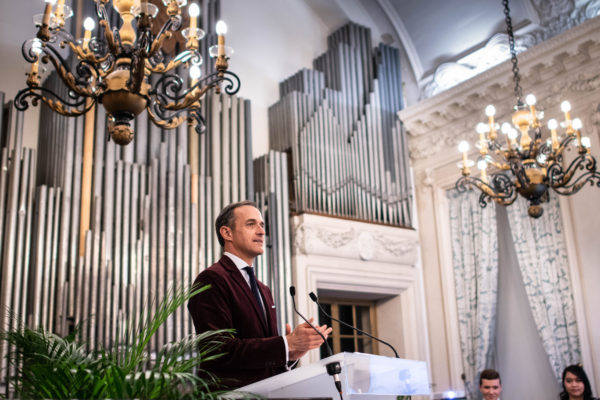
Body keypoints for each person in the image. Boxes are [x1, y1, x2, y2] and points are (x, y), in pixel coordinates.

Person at [188, 200, 332, 389]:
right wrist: (285, 344)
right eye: (251, 224)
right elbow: (219, 351)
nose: (261, 231)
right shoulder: (211, 278)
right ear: (227, 233)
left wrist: (290, 354)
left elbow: (264, 355)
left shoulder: (263, 289)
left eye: (262, 225)